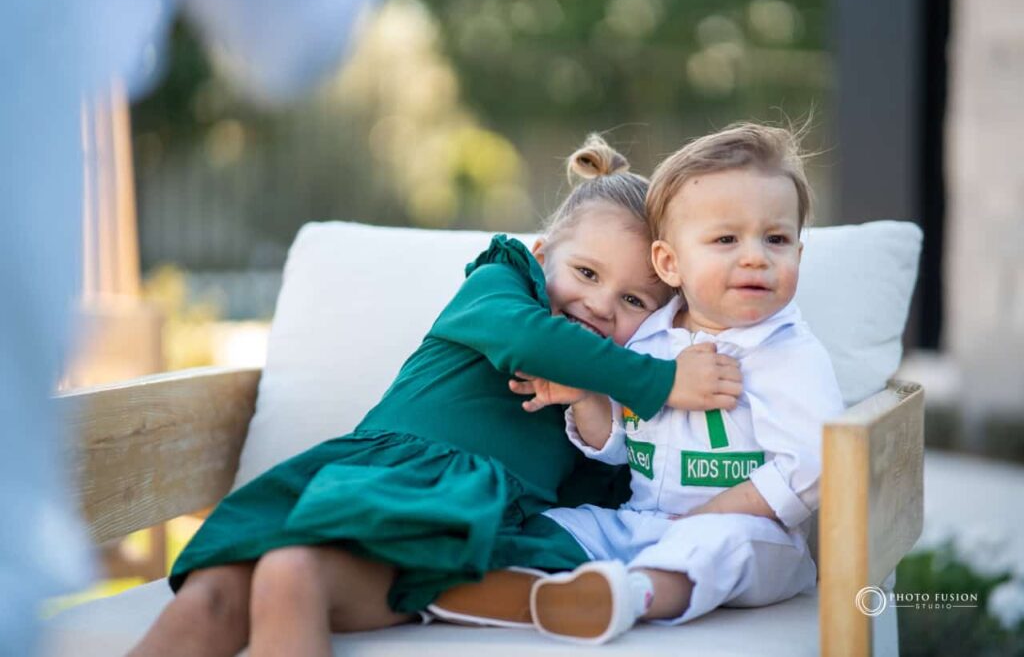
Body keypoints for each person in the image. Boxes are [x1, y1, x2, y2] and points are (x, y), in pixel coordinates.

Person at [128, 135, 742, 656]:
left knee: (289, 574)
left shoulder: (608, 404)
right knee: (212, 597)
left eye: (634, 300)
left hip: (459, 528)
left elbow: (615, 491)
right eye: (586, 273)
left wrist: (604, 404)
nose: (601, 306)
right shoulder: (502, 285)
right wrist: (662, 381)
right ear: (541, 255)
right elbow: (528, 341)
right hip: (376, 477)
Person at [435, 123, 845, 645]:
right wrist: (587, 398)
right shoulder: (648, 336)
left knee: (719, 547)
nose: (755, 257)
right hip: (641, 519)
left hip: (757, 534)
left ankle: (629, 597)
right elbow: (622, 449)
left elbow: (811, 466)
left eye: (777, 239)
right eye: (726, 239)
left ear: (798, 256)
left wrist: (707, 515)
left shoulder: (786, 353)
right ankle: (505, 586)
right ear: (670, 263)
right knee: (566, 523)